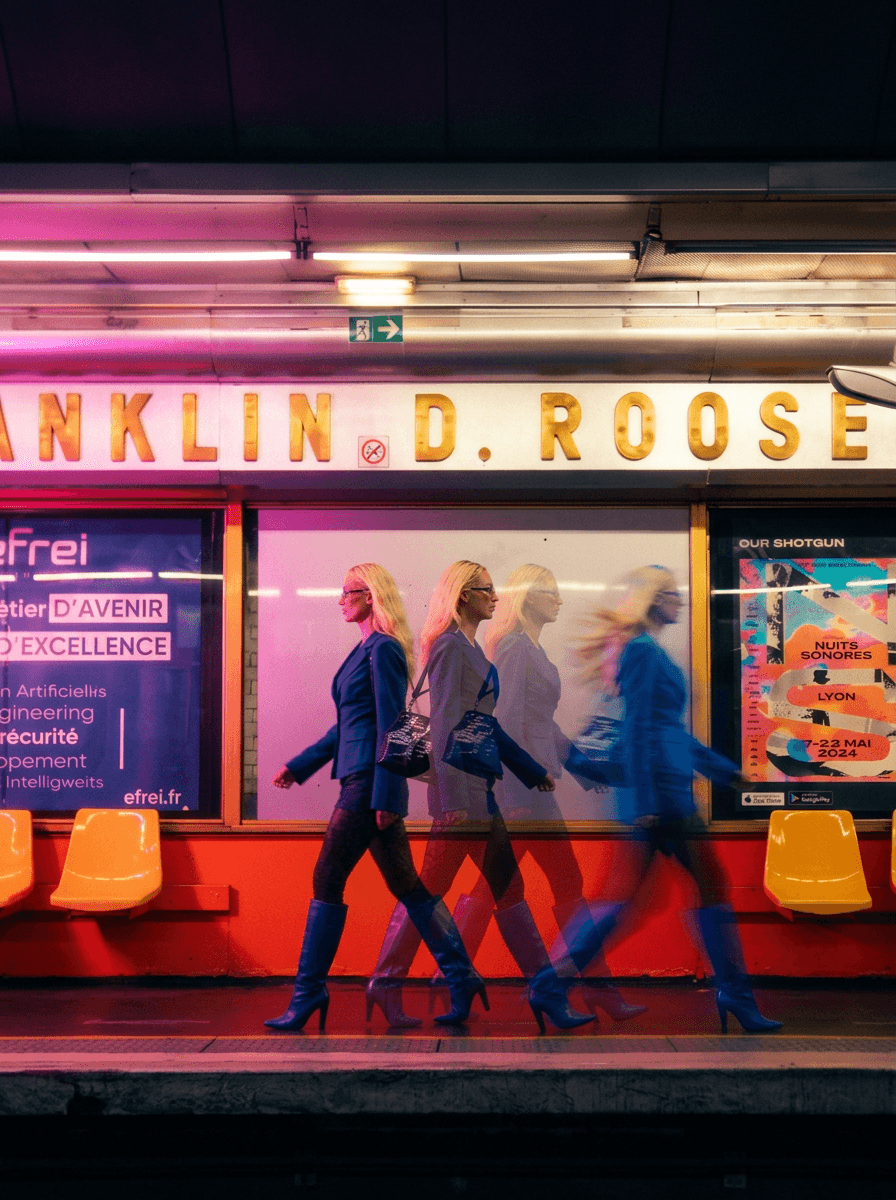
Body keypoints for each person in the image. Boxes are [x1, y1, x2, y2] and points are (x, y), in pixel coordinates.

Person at [554, 564, 781, 1034]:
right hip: (660, 799)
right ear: (654, 600)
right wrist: (645, 804)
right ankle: (735, 997)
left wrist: (725, 773)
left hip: (665, 794)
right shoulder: (642, 651)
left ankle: (548, 984)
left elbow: (667, 731)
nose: (679, 600)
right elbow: (638, 729)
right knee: (692, 891)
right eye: (672, 594)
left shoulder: (645, 650)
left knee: (632, 899)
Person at [367, 560, 593, 1033]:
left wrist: (530, 771)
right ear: (463, 595)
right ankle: (538, 993)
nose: (495, 596)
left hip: (478, 795)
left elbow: (486, 726)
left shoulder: (473, 650)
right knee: (475, 891)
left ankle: (410, 984)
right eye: (486, 589)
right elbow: (447, 722)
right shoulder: (450, 647)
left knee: (447, 891)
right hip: (462, 800)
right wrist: (453, 800)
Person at [265, 562, 486, 1032]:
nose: (340, 600)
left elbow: (393, 724)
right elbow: (347, 726)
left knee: (327, 878)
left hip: (368, 784)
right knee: (408, 886)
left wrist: (389, 795)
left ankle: (309, 992)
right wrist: (300, 765)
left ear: (370, 596)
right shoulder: (365, 649)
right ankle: (462, 976)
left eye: (347, 592)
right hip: (361, 779)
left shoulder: (383, 649)